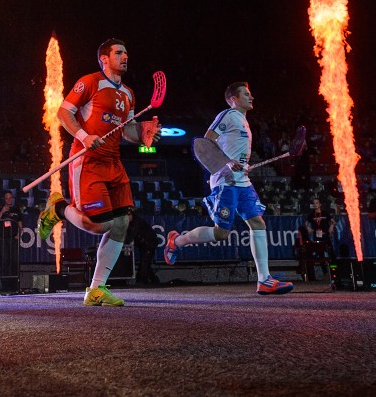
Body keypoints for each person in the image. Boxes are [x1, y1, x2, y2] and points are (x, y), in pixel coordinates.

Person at [37, 38, 161, 306]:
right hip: (88, 161)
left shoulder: (127, 93)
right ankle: (57, 208)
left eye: (127, 52)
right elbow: (64, 113)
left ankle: (96, 289)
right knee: (98, 223)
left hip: (114, 163)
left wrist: (143, 135)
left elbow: (126, 130)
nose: (125, 56)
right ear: (104, 59)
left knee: (122, 223)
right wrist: (84, 135)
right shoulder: (90, 82)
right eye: (119, 53)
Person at [162, 82, 293, 295]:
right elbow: (206, 142)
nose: (251, 98)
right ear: (233, 99)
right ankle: (176, 241)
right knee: (221, 233)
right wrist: (227, 161)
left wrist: (242, 165)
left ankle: (264, 280)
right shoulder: (228, 115)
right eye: (246, 94)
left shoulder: (244, 121)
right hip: (225, 182)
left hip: (242, 182)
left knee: (258, 223)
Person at [0, 190, 22, 292]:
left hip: (13, 239)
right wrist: (2, 211)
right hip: (2, 239)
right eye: (7, 198)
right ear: (4, 199)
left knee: (14, 261)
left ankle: (14, 284)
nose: (9, 199)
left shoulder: (16, 210)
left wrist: (19, 235)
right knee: (4, 261)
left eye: (10, 198)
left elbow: (20, 224)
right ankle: (4, 285)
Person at [304, 197, 336, 279]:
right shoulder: (311, 214)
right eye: (314, 203)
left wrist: (331, 226)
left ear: (320, 204)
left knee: (331, 254)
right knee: (320, 255)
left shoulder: (325, 213)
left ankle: (334, 271)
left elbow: (333, 221)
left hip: (325, 235)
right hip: (317, 236)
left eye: (317, 203)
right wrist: (308, 228)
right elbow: (306, 223)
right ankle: (325, 273)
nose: (315, 205)